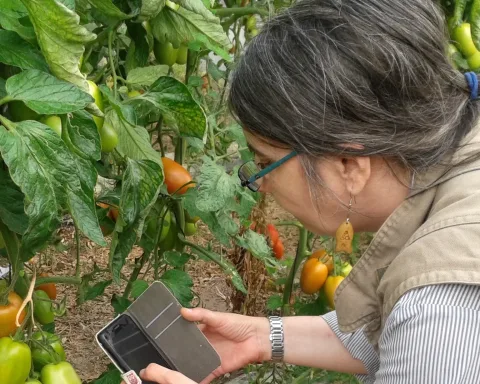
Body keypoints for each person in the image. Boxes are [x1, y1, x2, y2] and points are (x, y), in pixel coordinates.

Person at [134, 0, 480, 383]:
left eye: (265, 161)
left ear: (349, 165)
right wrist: (262, 337)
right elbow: (386, 333)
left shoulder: (440, 308)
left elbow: (420, 331)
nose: (260, 182)